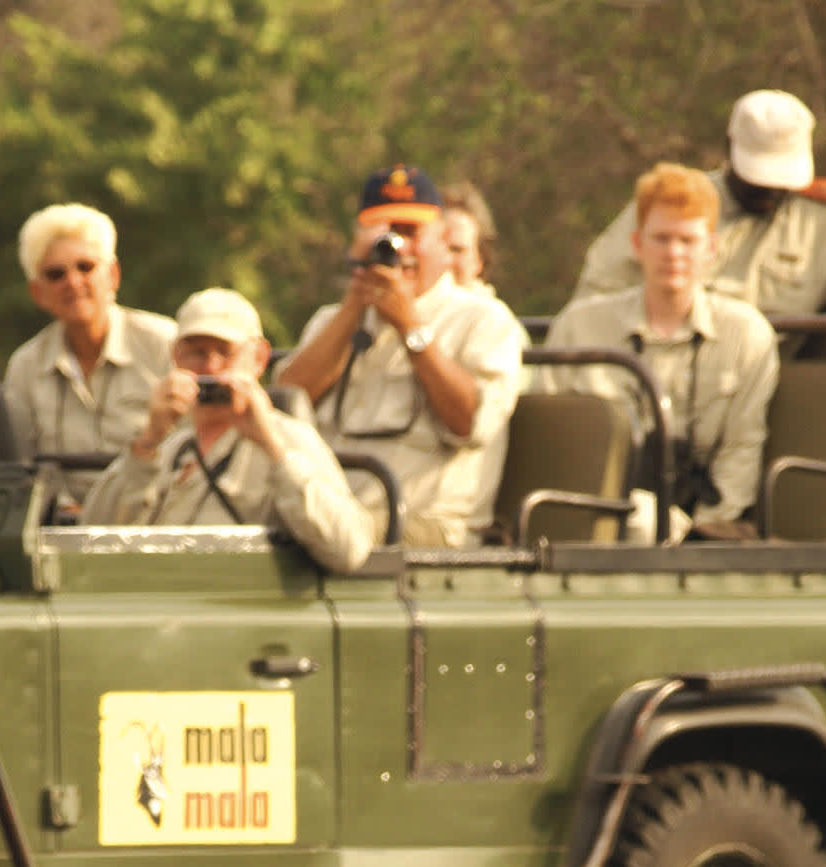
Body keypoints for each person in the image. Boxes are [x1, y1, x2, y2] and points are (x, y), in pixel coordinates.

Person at [275, 165, 525, 547]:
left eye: (411, 232)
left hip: (427, 527)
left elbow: (470, 422)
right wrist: (354, 306)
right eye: (386, 232)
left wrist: (410, 327)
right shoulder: (332, 320)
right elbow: (286, 404)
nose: (399, 247)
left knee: (321, 535)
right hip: (333, 515)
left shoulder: (484, 320)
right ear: (358, 244)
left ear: (443, 242)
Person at [566, 90, 826, 320]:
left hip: (769, 382)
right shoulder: (676, 203)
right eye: (757, 178)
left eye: (780, 180)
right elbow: (597, 294)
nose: (769, 191)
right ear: (728, 149)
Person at [541, 164, 778, 538]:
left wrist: (701, 534)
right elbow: (552, 445)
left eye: (687, 240)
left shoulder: (747, 335)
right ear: (637, 244)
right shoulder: (580, 326)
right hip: (596, 519)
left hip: (705, 531)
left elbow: (742, 450)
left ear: (711, 248)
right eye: (662, 239)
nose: (674, 253)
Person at [79, 290, 377, 572]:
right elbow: (87, 544)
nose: (211, 367)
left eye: (225, 352)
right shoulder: (166, 446)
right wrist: (148, 442)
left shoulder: (290, 440)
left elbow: (349, 548)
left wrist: (272, 446)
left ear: (259, 358)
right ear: (176, 358)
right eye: (196, 353)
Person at [0, 203, 176, 499]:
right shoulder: (25, 366)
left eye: (85, 267)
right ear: (37, 292)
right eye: (56, 274)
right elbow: (23, 470)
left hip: (153, 515)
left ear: (113, 275)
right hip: (60, 521)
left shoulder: (164, 344)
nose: (73, 282)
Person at [438, 182, 498, 300]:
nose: (446, 259)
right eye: (439, 248)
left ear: (480, 259)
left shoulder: (488, 311)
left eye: (457, 250)